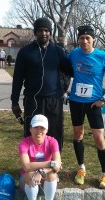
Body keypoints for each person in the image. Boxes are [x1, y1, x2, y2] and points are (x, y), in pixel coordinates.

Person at [67, 25, 105, 189]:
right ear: (78, 40)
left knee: (99, 138)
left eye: (87, 38)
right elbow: (66, 71)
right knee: (78, 134)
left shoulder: (103, 57)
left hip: (94, 104)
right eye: (81, 38)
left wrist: (104, 100)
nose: (84, 41)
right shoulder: (74, 54)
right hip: (76, 102)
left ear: (93, 40)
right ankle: (81, 169)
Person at [11, 17, 71, 152]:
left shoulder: (58, 51)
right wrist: (14, 101)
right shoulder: (25, 52)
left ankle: (54, 163)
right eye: (40, 30)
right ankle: (33, 164)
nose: (43, 33)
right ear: (35, 32)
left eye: (46, 30)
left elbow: (69, 72)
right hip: (33, 100)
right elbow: (18, 79)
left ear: (50, 32)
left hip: (54, 100)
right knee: (33, 133)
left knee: (54, 132)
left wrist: (64, 88)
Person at [18, 114, 62, 200]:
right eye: (36, 127)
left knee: (52, 175)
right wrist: (50, 163)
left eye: (42, 128)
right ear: (30, 128)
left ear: (47, 130)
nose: (39, 131)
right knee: (32, 176)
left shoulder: (52, 141)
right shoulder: (24, 143)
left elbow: (58, 165)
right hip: (27, 179)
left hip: (44, 178)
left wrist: (41, 171)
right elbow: (26, 167)